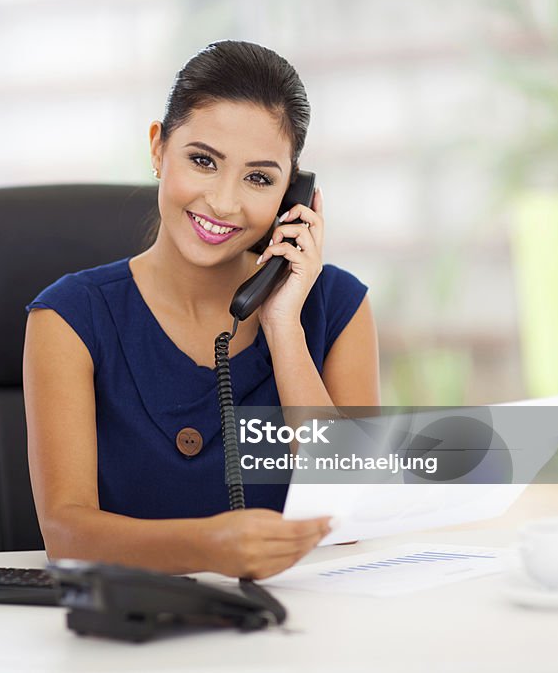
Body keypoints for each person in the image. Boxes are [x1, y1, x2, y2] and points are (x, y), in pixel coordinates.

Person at [23, 41, 380, 579]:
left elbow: (356, 509)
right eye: (203, 161)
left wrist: (283, 326)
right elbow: (66, 533)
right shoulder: (69, 318)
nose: (223, 202)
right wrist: (208, 546)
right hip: (137, 635)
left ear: (293, 195)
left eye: (259, 177)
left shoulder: (338, 306)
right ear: (158, 149)